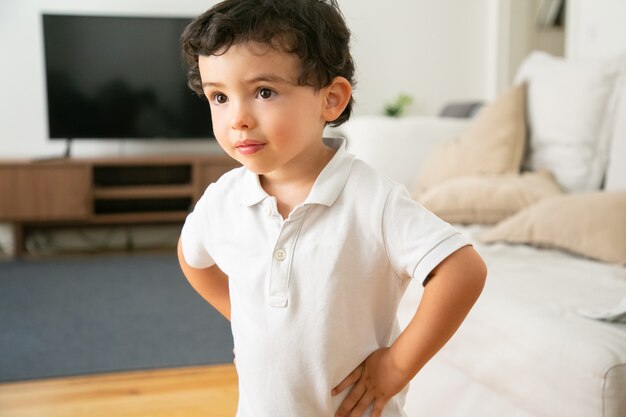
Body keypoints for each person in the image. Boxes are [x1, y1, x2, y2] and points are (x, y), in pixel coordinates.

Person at [177, 1, 487, 416]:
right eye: (219, 97)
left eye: (264, 92)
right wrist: (243, 316)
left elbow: (462, 271)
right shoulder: (223, 199)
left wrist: (396, 365)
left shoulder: (373, 200)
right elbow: (192, 257)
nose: (238, 119)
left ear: (332, 99)